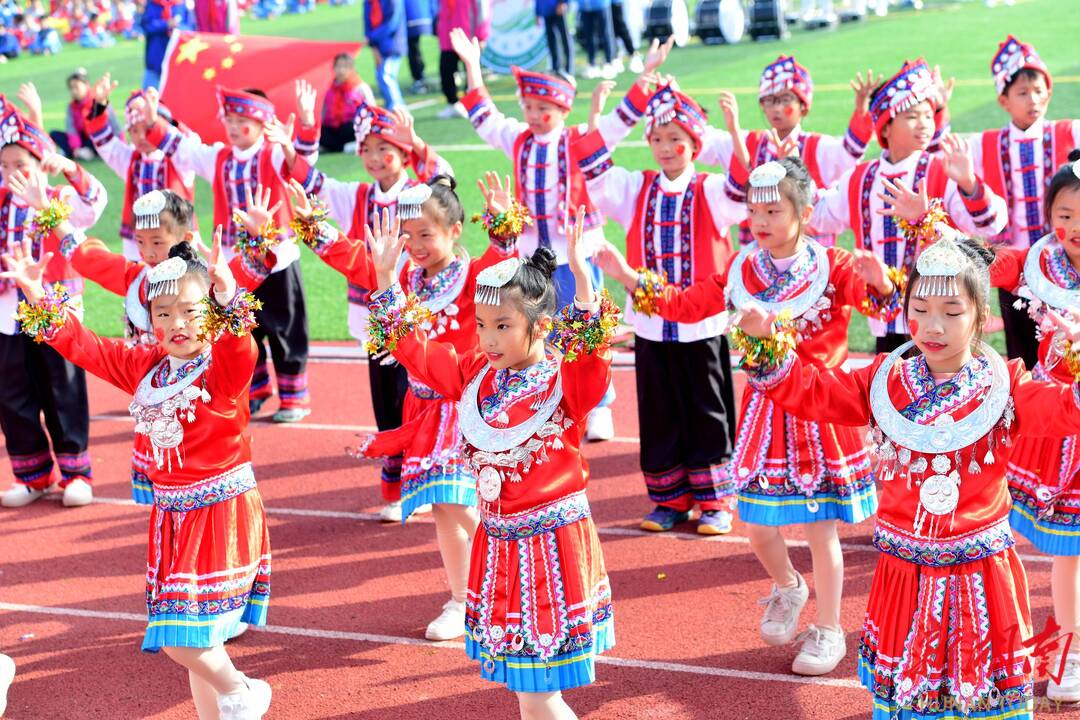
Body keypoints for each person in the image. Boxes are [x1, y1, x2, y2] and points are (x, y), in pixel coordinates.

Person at [731, 222, 1080, 720]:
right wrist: (769, 347)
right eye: (919, 310)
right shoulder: (884, 379)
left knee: (982, 699)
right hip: (905, 571)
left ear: (982, 317)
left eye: (951, 312)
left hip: (980, 574)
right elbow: (813, 393)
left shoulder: (1006, 384)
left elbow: (1066, 410)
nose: (932, 327)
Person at [597, 156, 895, 673]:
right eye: (755, 210)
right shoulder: (742, 269)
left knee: (821, 528)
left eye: (774, 210)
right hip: (765, 408)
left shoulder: (834, 266)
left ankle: (829, 631)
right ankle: (788, 586)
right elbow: (689, 305)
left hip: (821, 409)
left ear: (803, 212)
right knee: (757, 523)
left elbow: (882, 308)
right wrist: (625, 275)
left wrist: (884, 285)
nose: (761, 221)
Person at [3, 230, 273, 719]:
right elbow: (86, 348)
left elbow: (242, 349)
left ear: (209, 311)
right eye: (163, 314)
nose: (177, 324)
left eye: (191, 311)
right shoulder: (148, 366)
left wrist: (229, 292)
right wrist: (38, 295)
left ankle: (246, 693)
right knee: (197, 636)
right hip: (172, 517)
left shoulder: (221, 368)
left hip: (220, 512)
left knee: (180, 638)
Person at [365, 202, 617, 719]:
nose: (488, 339)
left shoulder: (561, 381)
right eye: (482, 325)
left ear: (541, 326)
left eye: (503, 326)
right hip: (501, 547)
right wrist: (388, 279)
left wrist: (586, 288)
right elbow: (417, 352)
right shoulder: (476, 374)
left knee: (538, 688)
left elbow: (591, 367)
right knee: (530, 689)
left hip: (551, 549)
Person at [290, 171, 519, 641]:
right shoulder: (403, 279)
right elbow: (351, 257)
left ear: (455, 232)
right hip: (425, 409)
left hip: (472, 406)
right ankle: (464, 600)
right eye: (407, 234)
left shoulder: (473, 275)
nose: (414, 244)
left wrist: (501, 223)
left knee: (462, 502)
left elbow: (505, 265)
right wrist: (313, 222)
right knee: (444, 507)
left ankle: (501, 582)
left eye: (426, 235)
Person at [454, 30, 674, 441]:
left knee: (586, 327)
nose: (534, 114)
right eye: (529, 107)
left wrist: (646, 73)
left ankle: (600, 404)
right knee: (540, 330)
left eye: (544, 108)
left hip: (578, 255)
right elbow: (484, 116)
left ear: (563, 107)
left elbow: (621, 120)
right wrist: (472, 65)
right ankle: (548, 399)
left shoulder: (577, 141)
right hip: (533, 260)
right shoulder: (519, 140)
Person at [575, 80, 743, 534]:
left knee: (708, 411)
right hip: (650, 325)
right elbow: (592, 165)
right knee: (658, 411)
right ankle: (669, 499)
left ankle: (715, 501)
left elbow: (742, 194)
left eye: (677, 139)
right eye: (657, 139)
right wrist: (609, 110)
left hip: (700, 324)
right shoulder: (636, 188)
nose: (666, 148)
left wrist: (735, 130)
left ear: (695, 145)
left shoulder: (709, 190)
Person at [65, 187, 282, 504]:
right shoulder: (137, 278)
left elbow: (238, 283)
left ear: (186, 237)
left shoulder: (203, 279)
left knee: (203, 477)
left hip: (203, 392)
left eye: (158, 242)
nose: (149, 252)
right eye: (140, 242)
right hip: (154, 388)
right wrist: (49, 212)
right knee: (165, 484)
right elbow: (90, 260)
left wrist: (257, 237)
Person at [288, 102, 451, 520]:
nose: (376, 158)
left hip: (418, 321)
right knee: (388, 406)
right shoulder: (356, 196)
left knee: (425, 400)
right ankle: (398, 488)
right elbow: (311, 180)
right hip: (374, 322)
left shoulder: (420, 192)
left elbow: (447, 181)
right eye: (367, 149)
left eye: (385, 148)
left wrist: (418, 143)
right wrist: (298, 135)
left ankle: (430, 476)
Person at [140, 83, 320, 423]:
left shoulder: (274, 154)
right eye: (230, 120)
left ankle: (293, 397)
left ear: (262, 123)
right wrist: (154, 123)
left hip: (277, 258)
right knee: (240, 329)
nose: (234, 128)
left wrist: (307, 126)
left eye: (243, 121)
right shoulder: (219, 157)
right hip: (234, 264)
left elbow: (305, 164)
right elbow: (183, 148)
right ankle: (254, 391)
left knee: (285, 328)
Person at [811, 58, 1008, 353]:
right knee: (887, 394)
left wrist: (969, 182)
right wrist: (795, 178)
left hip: (941, 324)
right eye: (913, 116)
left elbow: (991, 224)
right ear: (885, 128)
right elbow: (819, 217)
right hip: (884, 320)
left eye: (929, 116)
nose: (925, 124)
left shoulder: (941, 170)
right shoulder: (860, 177)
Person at [991, 153, 1080, 702]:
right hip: (1062, 424)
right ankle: (1066, 659)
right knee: (1069, 553)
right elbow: (983, 261)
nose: (1074, 228)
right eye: (1065, 213)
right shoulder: (1038, 263)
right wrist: (929, 220)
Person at [0, 111, 106, 509]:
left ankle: (76, 473)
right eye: (5, 165)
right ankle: (33, 475)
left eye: (21, 165)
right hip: (8, 311)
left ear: (38, 163)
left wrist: (69, 169)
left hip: (55, 306)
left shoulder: (60, 198)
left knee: (62, 388)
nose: (12, 173)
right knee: (12, 394)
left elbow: (95, 203)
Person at [967, 35, 1079, 371]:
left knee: (1066, 348)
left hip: (1064, 262)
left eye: (1039, 90)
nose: (1033, 99)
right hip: (1011, 267)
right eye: (1022, 93)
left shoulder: (1069, 132)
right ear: (1003, 100)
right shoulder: (984, 144)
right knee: (1021, 355)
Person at [700, 56, 876, 248]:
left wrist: (861, 113)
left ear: (803, 106)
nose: (776, 108)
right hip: (757, 256)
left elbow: (848, 155)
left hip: (810, 256)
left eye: (785, 100)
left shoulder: (818, 146)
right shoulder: (749, 141)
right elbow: (699, 141)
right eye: (770, 100)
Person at [85, 78, 195, 260]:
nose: (141, 137)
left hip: (176, 237)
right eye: (134, 131)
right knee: (137, 284)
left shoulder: (178, 159)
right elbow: (104, 143)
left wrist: (159, 119)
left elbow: (188, 142)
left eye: (147, 128)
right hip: (138, 242)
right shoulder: (131, 160)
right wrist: (99, 105)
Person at [435, 0, 490, 119]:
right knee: (446, 70)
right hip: (447, 37)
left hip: (468, 36)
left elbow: (482, 10)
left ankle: (472, 105)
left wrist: (481, 35)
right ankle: (452, 103)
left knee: (472, 72)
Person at [320, 53, 376, 154]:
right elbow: (324, 113)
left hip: (351, 126)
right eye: (338, 66)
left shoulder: (360, 87)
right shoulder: (330, 90)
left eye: (345, 66)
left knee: (350, 127)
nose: (341, 70)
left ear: (351, 69)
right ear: (333, 68)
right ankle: (340, 147)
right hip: (334, 128)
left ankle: (340, 146)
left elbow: (372, 110)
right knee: (320, 132)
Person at [140, 0, 191, 89]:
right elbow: (147, 25)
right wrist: (165, 24)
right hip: (155, 56)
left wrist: (177, 28)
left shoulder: (180, 4)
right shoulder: (152, 4)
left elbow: (189, 27)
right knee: (149, 93)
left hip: (176, 56)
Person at [365, 0, 407, 110]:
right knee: (380, 75)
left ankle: (397, 108)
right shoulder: (368, 2)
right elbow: (367, 22)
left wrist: (373, 37)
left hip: (393, 43)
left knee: (386, 75)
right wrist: (372, 43)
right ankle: (391, 106)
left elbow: (392, 22)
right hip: (377, 44)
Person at [536, 0, 572, 80]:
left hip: (559, 8)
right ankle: (556, 70)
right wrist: (537, 13)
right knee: (552, 43)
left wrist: (563, 3)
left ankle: (569, 70)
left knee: (565, 39)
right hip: (546, 11)